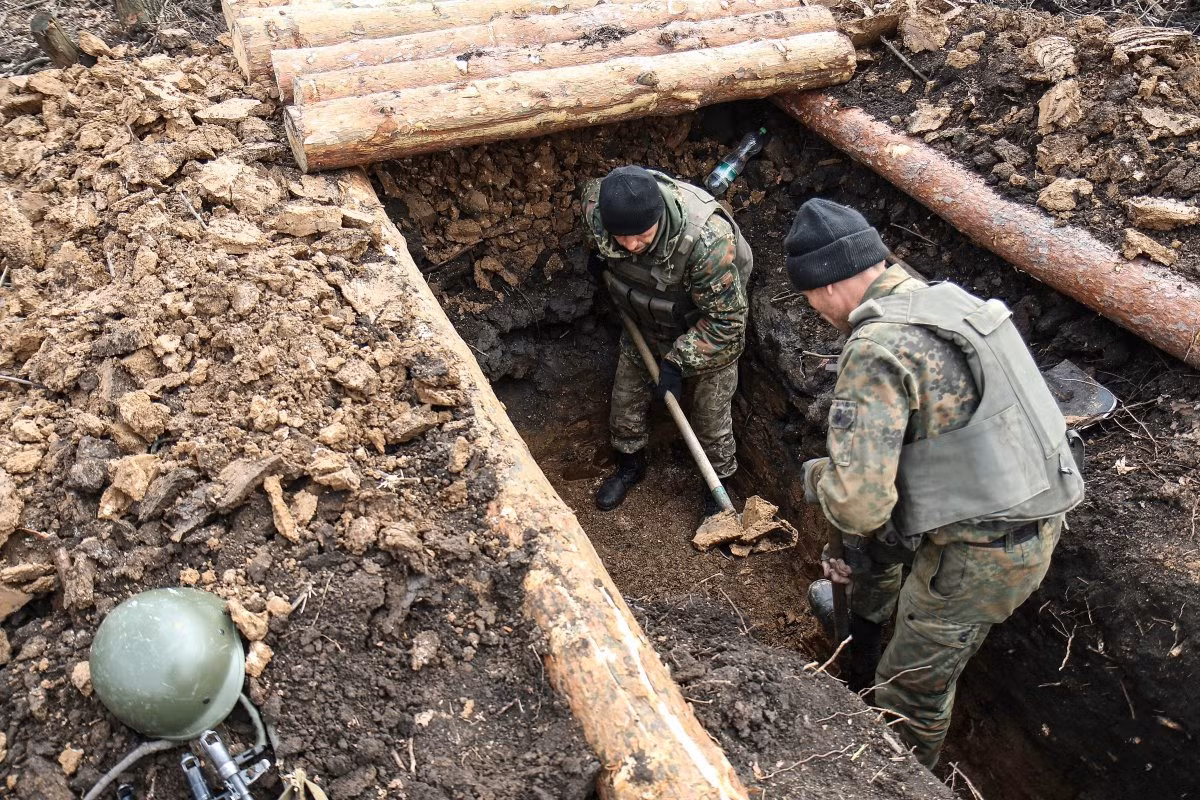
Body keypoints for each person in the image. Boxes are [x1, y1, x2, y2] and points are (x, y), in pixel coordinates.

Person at [785, 198, 1085, 768]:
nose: (816, 312)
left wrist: (817, 476)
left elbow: (857, 508)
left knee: (909, 690)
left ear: (825, 288)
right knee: (879, 553)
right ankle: (862, 638)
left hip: (987, 550)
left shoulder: (875, 347)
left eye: (810, 301)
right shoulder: (950, 303)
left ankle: (894, 775)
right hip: (1018, 496)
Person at [581, 165, 752, 515]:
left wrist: (676, 363)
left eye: (641, 235)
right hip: (644, 321)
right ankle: (630, 465)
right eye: (620, 237)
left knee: (710, 419)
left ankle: (716, 490)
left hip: (710, 331)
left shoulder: (707, 242)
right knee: (624, 404)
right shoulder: (597, 205)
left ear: (659, 215)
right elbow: (600, 239)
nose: (629, 245)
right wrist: (599, 258)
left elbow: (728, 321)